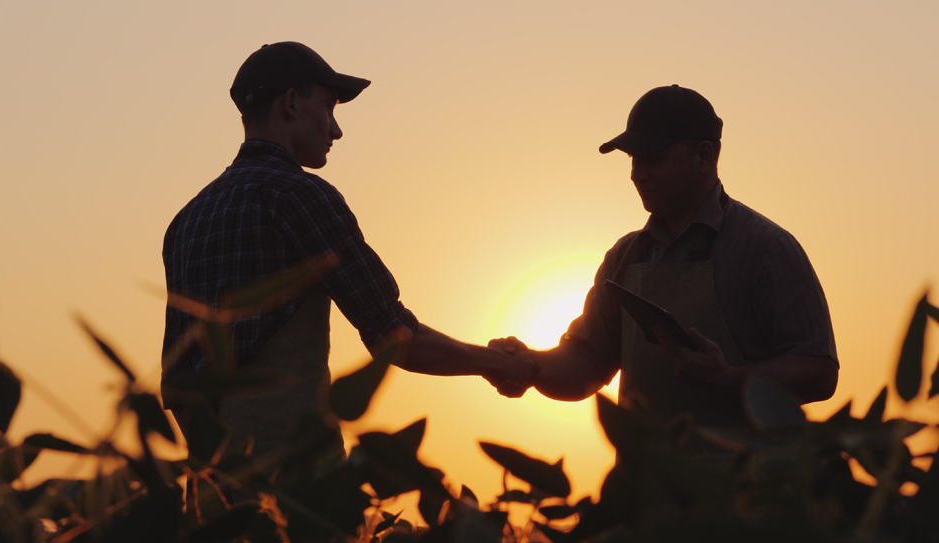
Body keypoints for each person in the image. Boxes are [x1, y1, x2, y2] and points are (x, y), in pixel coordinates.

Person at [162, 42, 536, 458]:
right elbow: (394, 335)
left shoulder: (185, 221)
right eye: (329, 107)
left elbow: (177, 382)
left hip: (213, 497)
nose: (336, 129)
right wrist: (497, 364)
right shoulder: (300, 196)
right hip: (295, 485)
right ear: (290, 104)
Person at [490, 85, 838, 431]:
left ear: (704, 156)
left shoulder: (767, 249)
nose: (637, 174)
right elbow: (586, 366)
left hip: (746, 484)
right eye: (633, 160)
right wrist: (530, 366)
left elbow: (820, 375)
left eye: (653, 158)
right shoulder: (624, 257)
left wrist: (731, 378)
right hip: (644, 484)